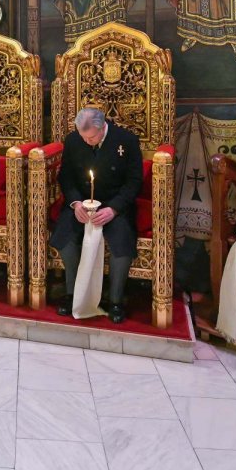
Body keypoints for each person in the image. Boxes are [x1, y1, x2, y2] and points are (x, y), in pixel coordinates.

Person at [50, 107, 143, 323]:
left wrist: (114, 209)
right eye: (82, 137)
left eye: (91, 137)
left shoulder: (126, 140)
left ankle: (116, 300)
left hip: (114, 205)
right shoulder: (73, 140)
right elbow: (66, 177)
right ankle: (72, 294)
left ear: (102, 128)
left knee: (122, 241)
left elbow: (134, 181)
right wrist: (75, 204)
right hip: (82, 204)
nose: (86, 141)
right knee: (65, 237)